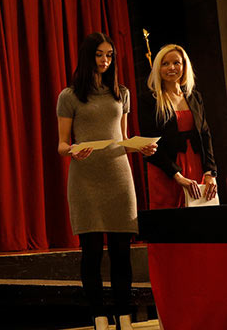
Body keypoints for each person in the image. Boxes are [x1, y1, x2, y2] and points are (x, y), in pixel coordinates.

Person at [56, 32, 156, 330]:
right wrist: (74, 150)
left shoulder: (121, 93)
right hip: (86, 178)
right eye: (100, 55)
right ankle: (99, 316)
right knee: (91, 253)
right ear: (88, 57)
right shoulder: (69, 95)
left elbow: (122, 139)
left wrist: (142, 146)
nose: (105, 60)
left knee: (121, 253)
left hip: (118, 176)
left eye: (110, 55)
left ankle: (124, 316)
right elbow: (61, 145)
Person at [138, 44, 227, 330]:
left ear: (184, 67)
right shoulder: (150, 100)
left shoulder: (194, 97)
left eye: (177, 63)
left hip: (198, 174)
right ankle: (173, 314)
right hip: (166, 177)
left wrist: (211, 172)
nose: (172, 68)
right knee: (171, 247)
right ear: (158, 68)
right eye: (166, 63)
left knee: (201, 244)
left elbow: (206, 136)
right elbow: (151, 146)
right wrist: (176, 175)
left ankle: (206, 312)